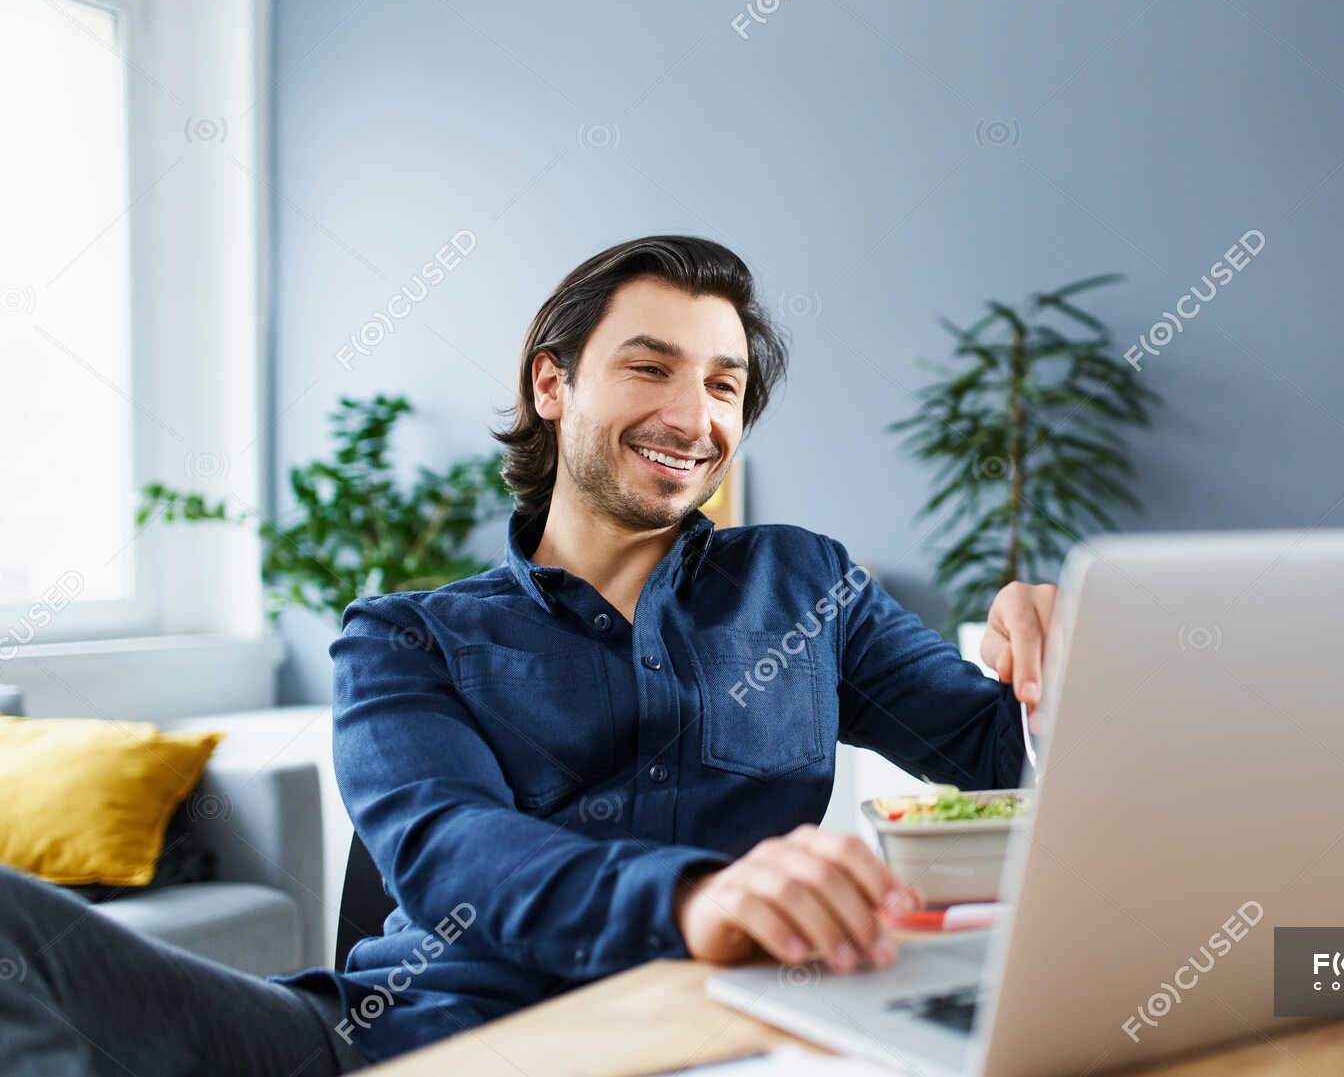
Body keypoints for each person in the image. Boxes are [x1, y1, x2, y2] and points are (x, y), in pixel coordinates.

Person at [0, 236, 1058, 1075]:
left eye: (725, 386)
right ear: (551, 385)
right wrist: (694, 897)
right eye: (651, 367)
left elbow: (1004, 756)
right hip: (392, 1043)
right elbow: (450, 848)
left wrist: (1060, 656)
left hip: (711, 1038)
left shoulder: (807, 587)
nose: (692, 416)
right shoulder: (405, 635)